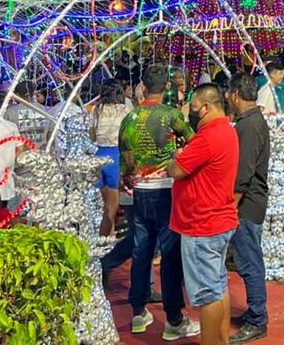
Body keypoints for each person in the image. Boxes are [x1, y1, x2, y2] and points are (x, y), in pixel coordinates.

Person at [119, 63, 198, 339]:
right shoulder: (172, 115)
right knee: (170, 254)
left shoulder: (130, 118)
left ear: (143, 87)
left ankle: (138, 311)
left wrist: (130, 177)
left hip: (140, 191)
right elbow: (193, 142)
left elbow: (125, 156)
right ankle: (173, 316)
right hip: (166, 190)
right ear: (165, 87)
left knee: (141, 252)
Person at [168, 84, 239, 345]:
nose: (192, 113)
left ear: (207, 107)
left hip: (202, 224)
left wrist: (177, 159)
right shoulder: (226, 131)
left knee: (208, 294)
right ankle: (221, 340)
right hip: (218, 220)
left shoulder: (208, 136)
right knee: (218, 287)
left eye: (194, 107)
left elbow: (176, 170)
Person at [226, 74, 270, 344]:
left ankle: (257, 317)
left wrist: (231, 203)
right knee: (247, 259)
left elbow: (244, 171)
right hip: (248, 200)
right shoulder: (250, 121)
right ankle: (255, 312)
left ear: (235, 94)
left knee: (249, 261)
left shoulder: (250, 125)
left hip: (247, 202)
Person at [90, 79, 131, 236]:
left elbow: (92, 136)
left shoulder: (96, 110)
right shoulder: (124, 110)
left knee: (104, 204)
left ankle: (109, 236)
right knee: (112, 207)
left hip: (99, 155)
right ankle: (105, 238)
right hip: (116, 155)